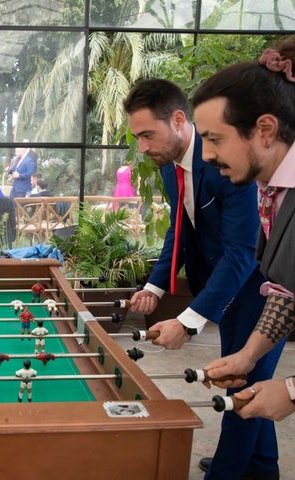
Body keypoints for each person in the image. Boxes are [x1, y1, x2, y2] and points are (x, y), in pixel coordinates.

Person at [124, 79, 284, 480]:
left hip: (260, 291)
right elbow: (181, 229)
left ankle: (229, 471)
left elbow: (241, 253)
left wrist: (189, 321)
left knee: (241, 387)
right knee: (249, 380)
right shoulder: (169, 166)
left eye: (148, 134)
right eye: (137, 137)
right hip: (224, 288)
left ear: (179, 120)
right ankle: (262, 466)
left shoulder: (233, 166)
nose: (142, 146)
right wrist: (154, 286)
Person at [193, 41, 295, 429]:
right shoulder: (270, 190)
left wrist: (290, 390)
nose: (204, 154)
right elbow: (287, 288)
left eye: (215, 138)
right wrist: (249, 356)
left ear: (265, 130)